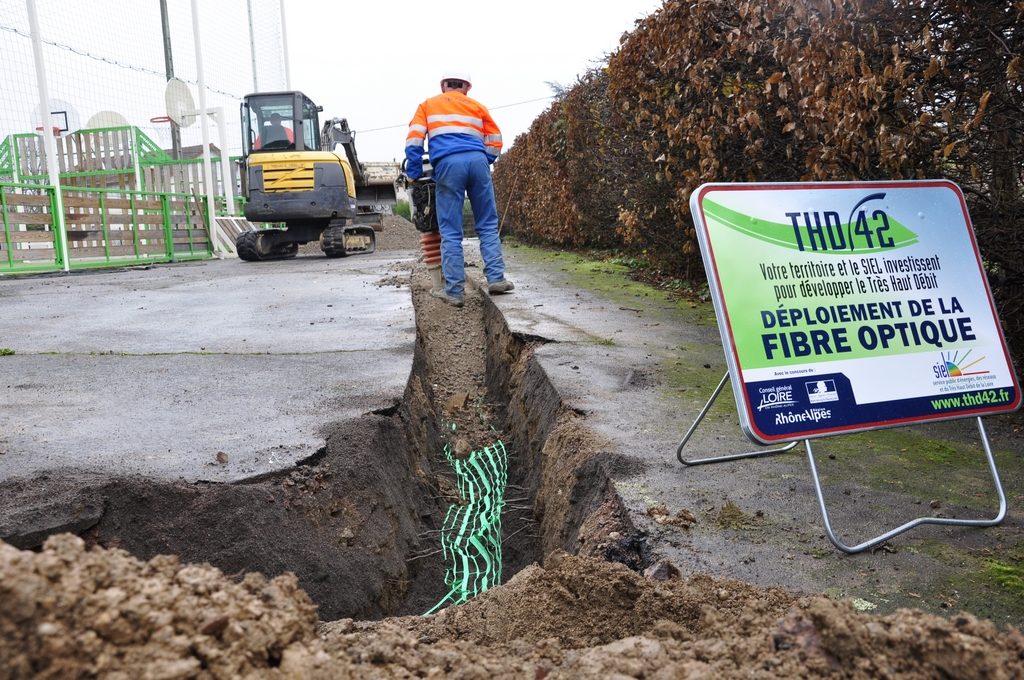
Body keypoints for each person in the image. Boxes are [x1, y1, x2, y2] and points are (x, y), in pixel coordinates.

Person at [405, 70, 513, 308]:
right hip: (478, 162)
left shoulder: (427, 106)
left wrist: (413, 173)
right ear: (467, 87)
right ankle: (496, 279)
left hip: (447, 165)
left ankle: (454, 291)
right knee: (486, 223)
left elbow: (414, 141)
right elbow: (495, 138)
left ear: (444, 85)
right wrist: (486, 160)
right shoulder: (477, 106)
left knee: (450, 230)